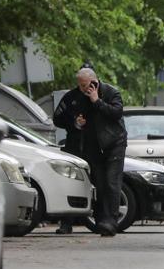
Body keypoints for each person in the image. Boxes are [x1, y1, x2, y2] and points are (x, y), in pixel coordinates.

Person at [52, 65, 127, 237]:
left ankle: (110, 222)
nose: (83, 88)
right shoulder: (73, 96)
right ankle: (101, 221)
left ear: (95, 80)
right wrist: (75, 122)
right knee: (99, 184)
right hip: (91, 147)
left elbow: (116, 113)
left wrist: (97, 101)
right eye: (80, 85)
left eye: (86, 84)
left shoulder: (110, 92)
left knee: (111, 182)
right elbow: (58, 118)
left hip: (114, 143)